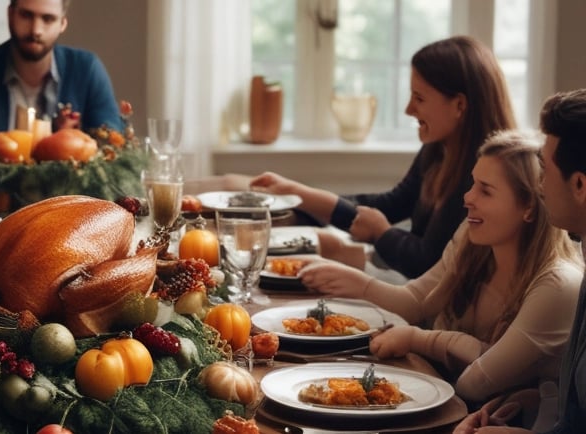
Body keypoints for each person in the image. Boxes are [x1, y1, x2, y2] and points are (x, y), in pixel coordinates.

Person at [299, 130, 582, 406]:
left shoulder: (557, 286)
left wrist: (420, 338)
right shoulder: (472, 239)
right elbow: (415, 302)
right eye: (473, 184)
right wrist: (354, 281)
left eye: (485, 191)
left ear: (529, 207)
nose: (468, 198)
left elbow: (474, 384)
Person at [250, 36, 516, 278]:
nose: (409, 109)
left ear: (459, 105)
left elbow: (427, 261)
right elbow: (391, 204)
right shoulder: (439, 149)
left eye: (419, 98)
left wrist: (381, 233)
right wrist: (299, 194)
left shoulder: (482, 177)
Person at [454, 89, 586, 434]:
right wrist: (537, 400)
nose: (540, 186)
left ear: (580, 185)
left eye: (545, 169)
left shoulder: (562, 281)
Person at [0, 0, 123, 143]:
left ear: (62, 24)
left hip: (69, 192)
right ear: (10, 14)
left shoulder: (86, 69)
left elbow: (113, 142)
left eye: (48, 19)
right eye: (26, 15)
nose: (36, 30)